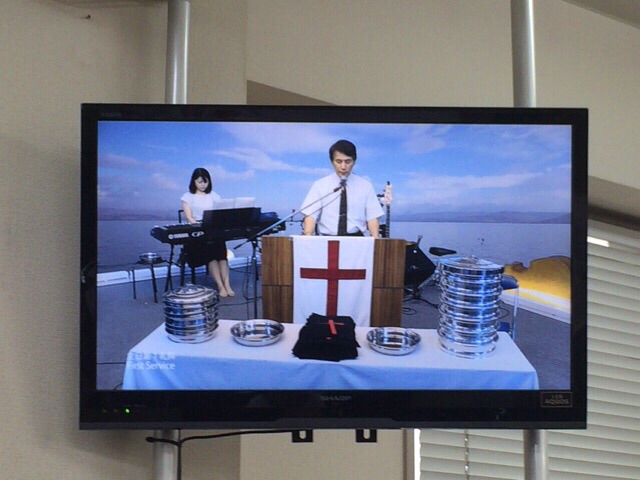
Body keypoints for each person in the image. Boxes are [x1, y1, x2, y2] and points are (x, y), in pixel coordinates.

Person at [300, 139, 383, 236]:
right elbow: (310, 215)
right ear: (332, 162)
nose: (343, 167)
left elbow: (372, 217)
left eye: (348, 161)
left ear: (354, 161)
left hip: (356, 239)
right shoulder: (320, 185)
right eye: (339, 161)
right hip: (327, 239)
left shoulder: (366, 186)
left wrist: (375, 239)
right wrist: (307, 236)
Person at [181, 167, 235, 297]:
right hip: (198, 232)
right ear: (194, 181)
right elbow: (189, 218)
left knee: (222, 256)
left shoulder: (213, 195)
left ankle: (227, 285)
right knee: (211, 256)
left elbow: (221, 211)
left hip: (214, 228)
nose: (203, 185)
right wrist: (198, 226)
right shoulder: (187, 197)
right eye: (200, 182)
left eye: (205, 182)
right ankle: (220, 286)